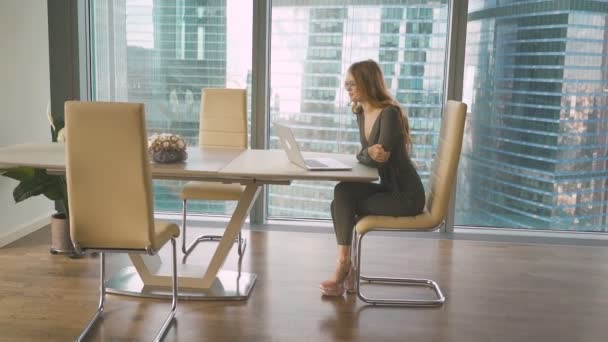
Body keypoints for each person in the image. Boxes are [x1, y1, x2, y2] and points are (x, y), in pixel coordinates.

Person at [320, 59, 426, 296]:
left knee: (343, 203)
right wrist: (366, 153)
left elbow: (380, 157)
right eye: (346, 84)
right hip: (387, 187)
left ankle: (344, 267)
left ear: (367, 83)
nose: (347, 88)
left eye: (352, 84)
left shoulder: (389, 113)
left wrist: (366, 154)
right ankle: (347, 266)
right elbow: (368, 154)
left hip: (406, 196)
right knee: (342, 193)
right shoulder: (360, 112)